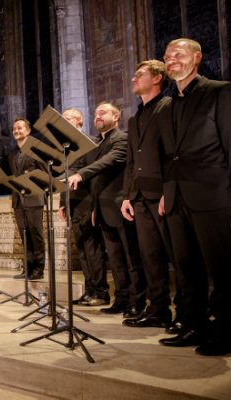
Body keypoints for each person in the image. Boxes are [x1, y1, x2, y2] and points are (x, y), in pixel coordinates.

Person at [155, 38, 231, 356]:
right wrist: (165, 191)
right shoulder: (168, 103)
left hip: (213, 194)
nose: (172, 59)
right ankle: (193, 325)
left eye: (179, 54)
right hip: (176, 196)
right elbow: (169, 156)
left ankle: (228, 332)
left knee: (223, 269)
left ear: (197, 58)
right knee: (187, 268)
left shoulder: (219, 91)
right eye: (167, 55)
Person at [67, 102, 145, 318]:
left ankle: (137, 302)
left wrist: (81, 173)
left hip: (120, 205)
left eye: (103, 112)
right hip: (102, 207)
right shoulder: (98, 143)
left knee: (131, 258)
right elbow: (95, 180)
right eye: (96, 113)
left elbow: (105, 163)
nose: (98, 116)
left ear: (116, 116)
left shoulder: (120, 139)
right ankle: (121, 299)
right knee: (116, 259)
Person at [120, 60, 178, 329]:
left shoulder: (169, 107)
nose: (134, 79)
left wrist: (170, 190)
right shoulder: (134, 118)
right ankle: (158, 310)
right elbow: (131, 161)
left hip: (164, 195)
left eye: (139, 74)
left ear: (157, 78)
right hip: (141, 197)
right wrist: (127, 197)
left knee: (179, 255)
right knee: (150, 256)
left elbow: (173, 154)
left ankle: (191, 312)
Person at [58, 108, 109, 306]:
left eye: (68, 119)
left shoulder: (90, 143)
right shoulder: (66, 148)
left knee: (93, 248)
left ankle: (101, 292)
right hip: (73, 202)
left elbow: (95, 176)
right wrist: (63, 203)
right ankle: (89, 291)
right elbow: (65, 177)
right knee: (81, 250)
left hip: (88, 201)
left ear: (79, 121)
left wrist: (96, 204)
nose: (64, 122)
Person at [7, 118, 45, 280]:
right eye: (14, 128)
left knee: (35, 235)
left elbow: (44, 175)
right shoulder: (12, 153)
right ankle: (28, 268)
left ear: (28, 131)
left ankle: (39, 269)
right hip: (18, 200)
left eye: (20, 128)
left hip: (34, 198)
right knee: (24, 235)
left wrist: (43, 195)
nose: (16, 131)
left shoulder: (37, 150)